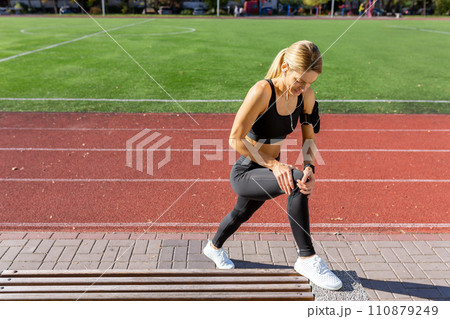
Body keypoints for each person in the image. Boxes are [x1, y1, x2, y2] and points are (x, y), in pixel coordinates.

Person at [202, 40, 343, 291]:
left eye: (311, 82)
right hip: (247, 170)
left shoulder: (306, 96)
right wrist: (275, 165)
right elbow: (235, 137)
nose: (304, 87)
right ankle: (307, 259)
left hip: (269, 168)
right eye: (300, 80)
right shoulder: (262, 91)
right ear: (285, 66)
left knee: (240, 213)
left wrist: (310, 167)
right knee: (295, 181)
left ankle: (213, 248)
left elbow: (309, 137)